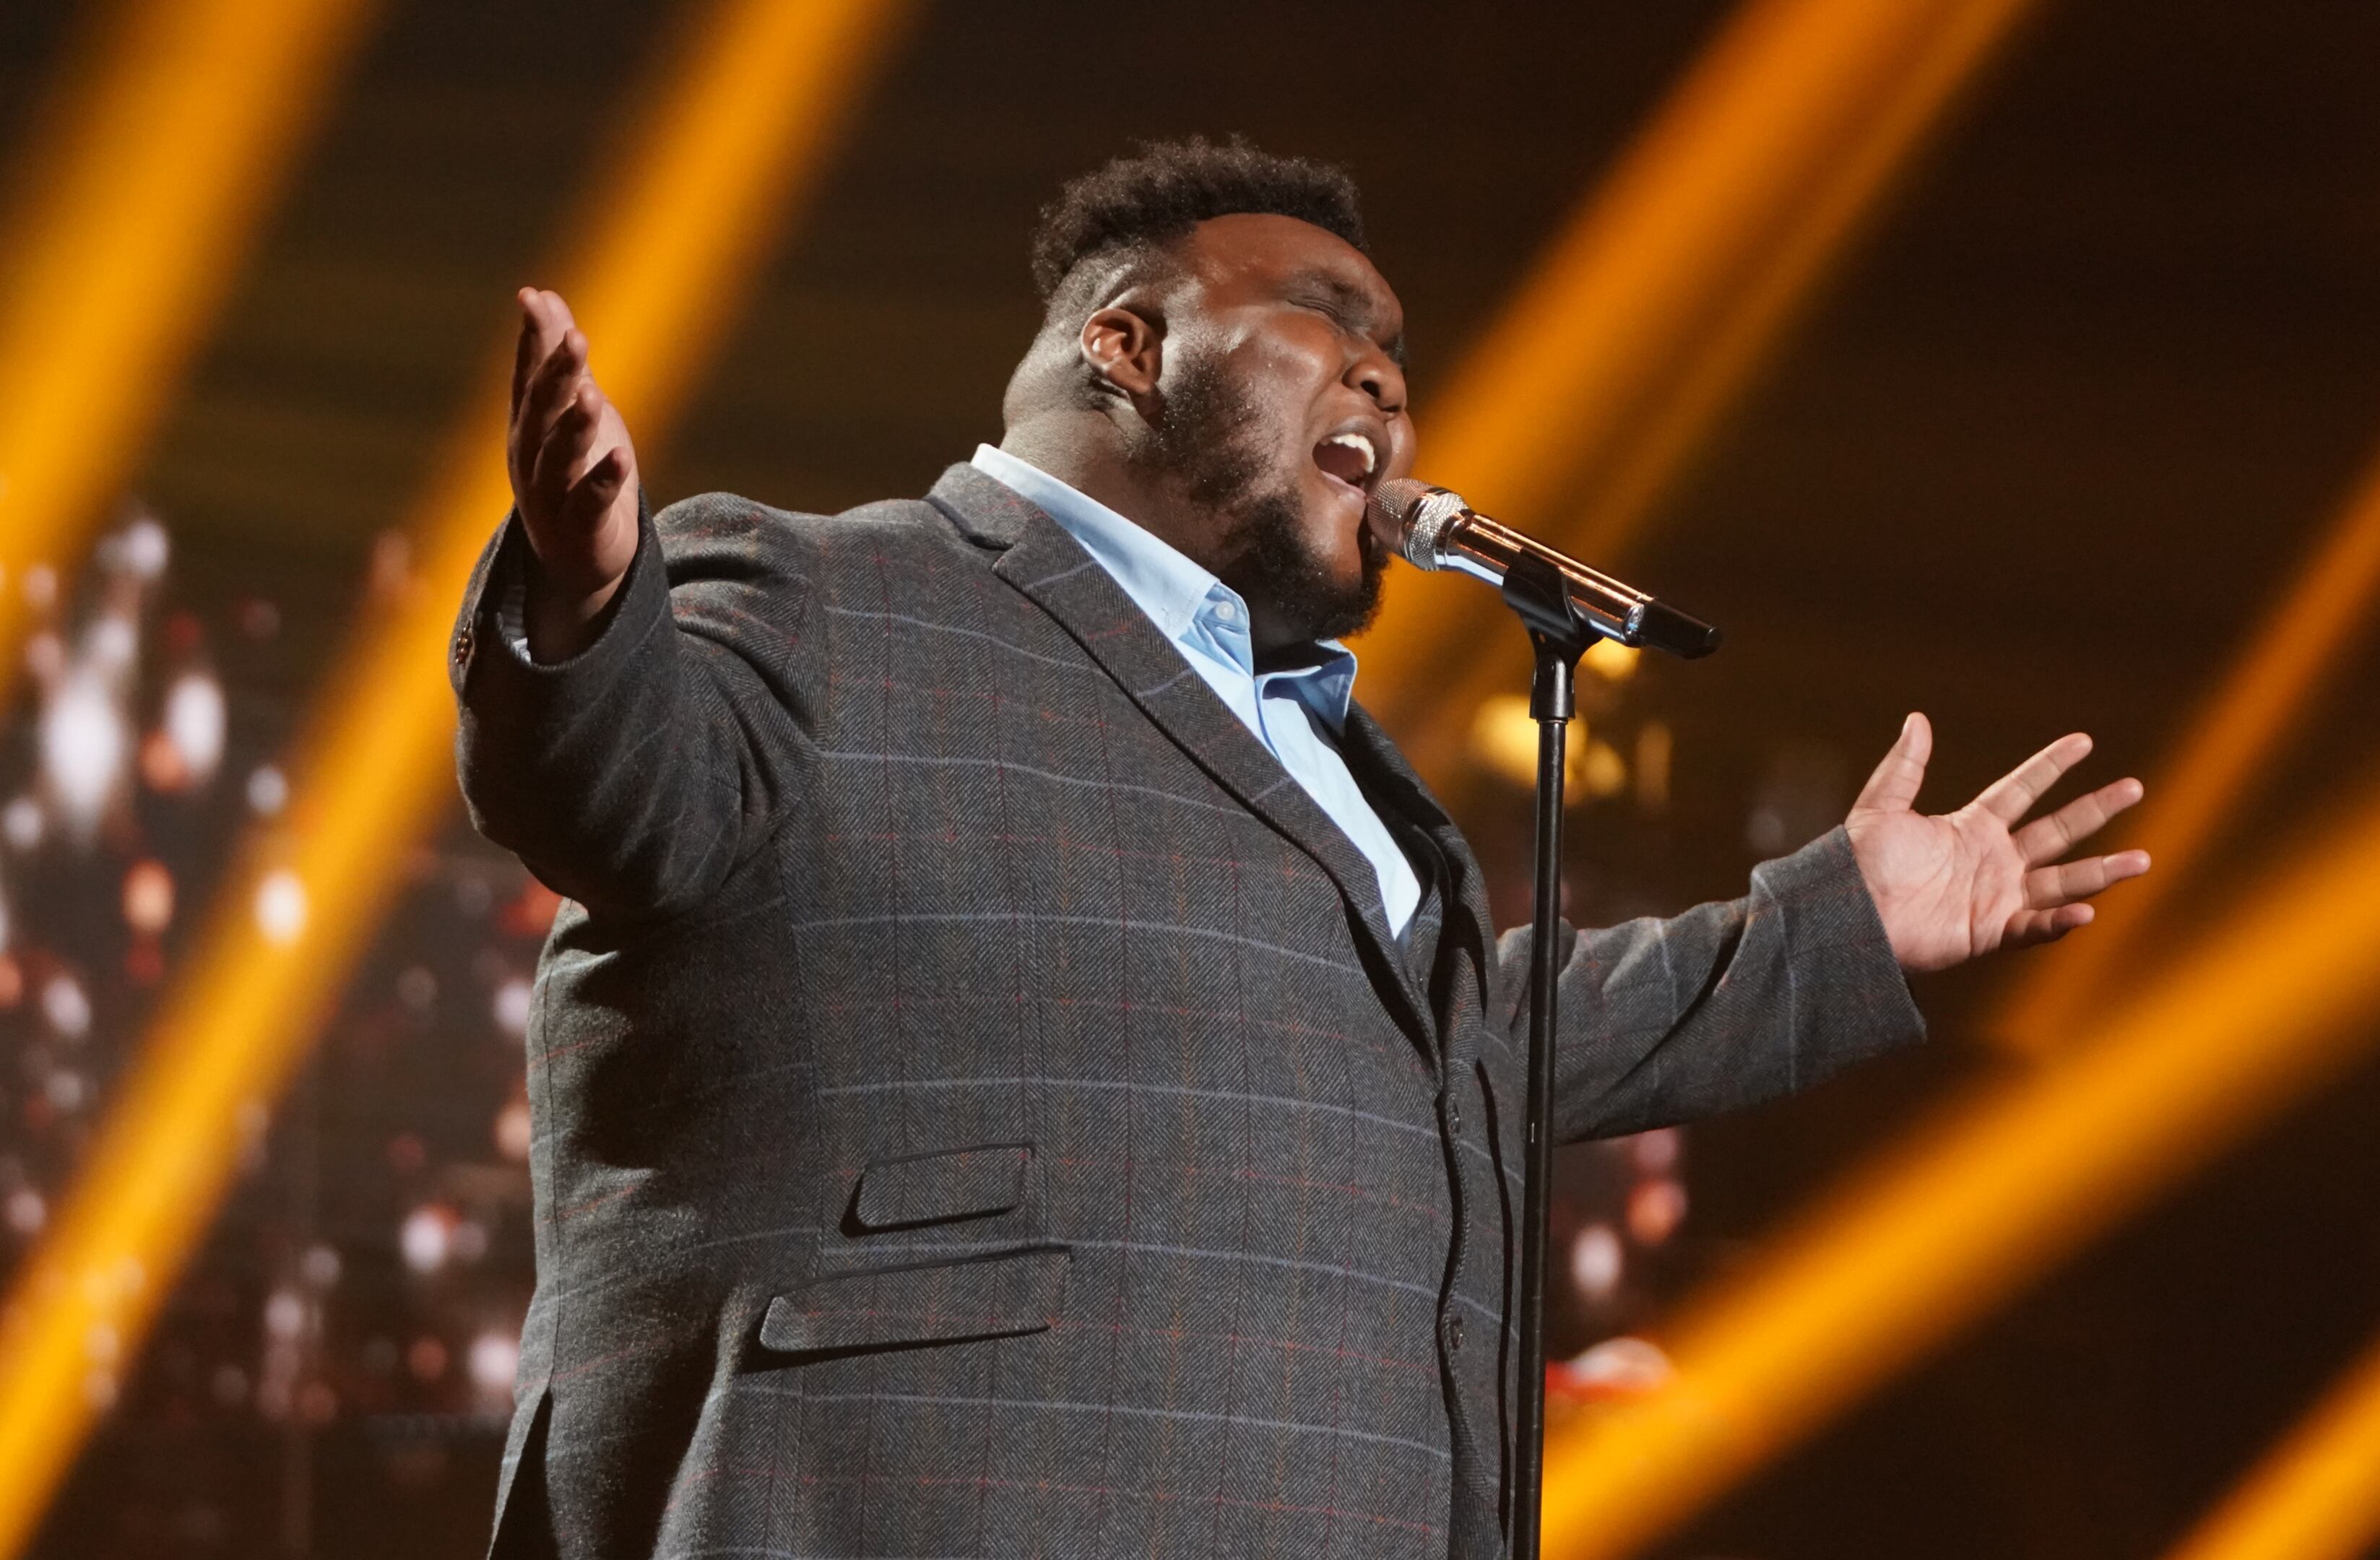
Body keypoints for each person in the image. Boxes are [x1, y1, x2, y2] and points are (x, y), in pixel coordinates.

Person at [451, 136, 2149, 1560]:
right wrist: (591, 602)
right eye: (1323, 318)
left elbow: (1473, 1047)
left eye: (1395, 346)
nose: (1386, 375)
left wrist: (1834, 930)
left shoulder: (1340, 762)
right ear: (1128, 345)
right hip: (932, 1497)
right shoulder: (838, 593)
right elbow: (621, 785)